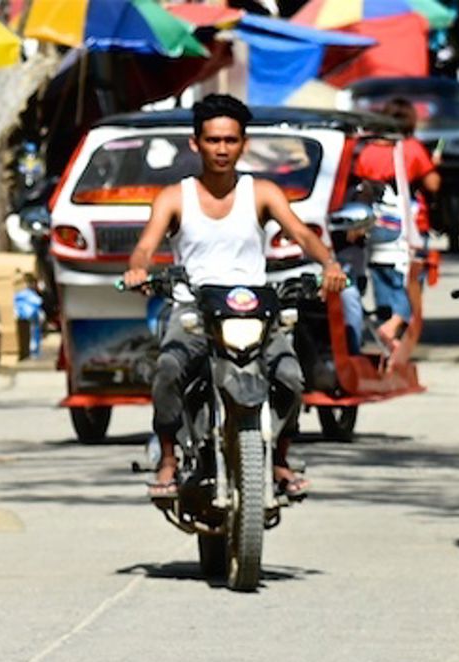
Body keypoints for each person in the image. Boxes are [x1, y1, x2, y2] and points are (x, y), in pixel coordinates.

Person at [121, 94, 347, 500]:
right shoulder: (175, 197)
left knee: (290, 376)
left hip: (253, 310)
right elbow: (145, 246)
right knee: (169, 368)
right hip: (193, 310)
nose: (222, 149)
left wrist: (329, 264)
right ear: (196, 144)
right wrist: (138, 269)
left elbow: (301, 233)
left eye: (230, 140)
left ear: (244, 144)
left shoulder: (262, 193)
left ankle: (279, 458)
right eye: (213, 140)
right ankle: (168, 458)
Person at [356, 99, 442, 355]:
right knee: (411, 280)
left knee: (382, 277)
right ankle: (395, 325)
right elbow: (433, 184)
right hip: (409, 226)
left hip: (376, 225)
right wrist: (434, 164)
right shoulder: (412, 148)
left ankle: (390, 342)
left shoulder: (367, 151)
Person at [13, 273, 45, 360]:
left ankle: (31, 350)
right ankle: (33, 351)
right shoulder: (29, 294)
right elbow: (38, 302)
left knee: (30, 334)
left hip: (24, 316)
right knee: (34, 333)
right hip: (31, 316)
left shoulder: (21, 294)